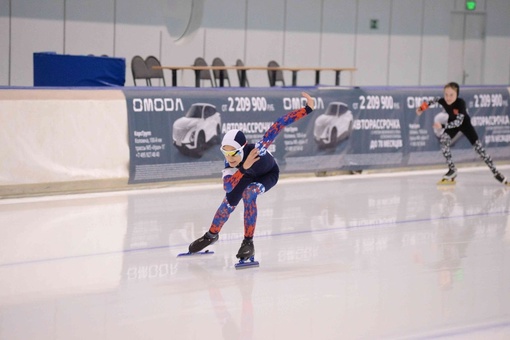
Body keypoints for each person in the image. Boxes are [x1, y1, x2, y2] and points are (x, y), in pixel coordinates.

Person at [188, 92, 315, 260]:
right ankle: (211, 236)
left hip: (267, 174)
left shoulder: (258, 150)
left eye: (233, 153)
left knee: (250, 193)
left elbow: (279, 124)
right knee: (227, 204)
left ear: (242, 149)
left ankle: (248, 242)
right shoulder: (231, 166)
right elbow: (227, 187)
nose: (229, 158)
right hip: (245, 175)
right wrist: (243, 168)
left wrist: (307, 109)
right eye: (225, 153)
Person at [416, 82, 508, 185]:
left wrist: (442, 126)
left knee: (479, 150)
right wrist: (421, 108)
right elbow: (432, 101)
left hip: (465, 125)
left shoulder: (460, 104)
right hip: (452, 124)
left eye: (451, 95)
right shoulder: (443, 101)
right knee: (443, 140)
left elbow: (458, 123)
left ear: (457, 95)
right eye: (446, 94)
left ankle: (496, 173)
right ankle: (452, 170)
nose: (448, 98)